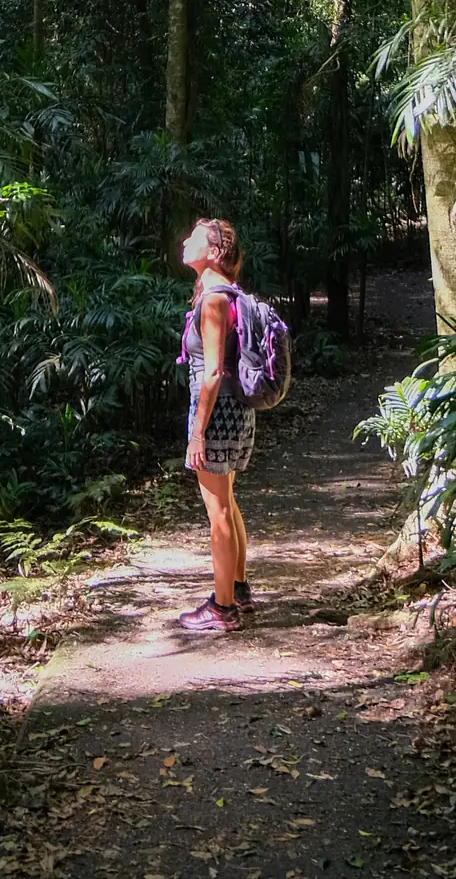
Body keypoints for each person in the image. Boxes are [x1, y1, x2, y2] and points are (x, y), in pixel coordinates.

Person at [178, 215, 255, 634]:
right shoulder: (227, 292)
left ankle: (222, 608)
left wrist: (197, 433)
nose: (184, 242)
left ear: (212, 252)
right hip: (236, 409)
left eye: (193, 239)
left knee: (218, 510)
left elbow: (211, 373)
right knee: (227, 501)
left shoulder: (213, 300)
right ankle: (238, 588)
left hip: (217, 412)